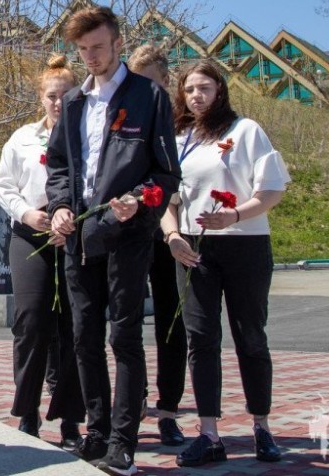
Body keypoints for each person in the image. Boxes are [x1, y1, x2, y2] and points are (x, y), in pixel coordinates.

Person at [46, 6, 181, 475]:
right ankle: (96, 431)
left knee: (123, 335)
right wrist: (60, 206)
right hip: (78, 234)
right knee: (83, 336)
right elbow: (59, 165)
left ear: (118, 43)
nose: (91, 58)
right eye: (82, 50)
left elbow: (166, 174)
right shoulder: (74, 102)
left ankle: (124, 442)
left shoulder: (149, 96)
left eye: (98, 48)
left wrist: (140, 200)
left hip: (127, 234)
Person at [160, 60, 290, 467]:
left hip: (244, 244)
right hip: (195, 250)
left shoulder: (245, 131)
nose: (196, 96)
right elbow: (169, 199)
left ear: (220, 91)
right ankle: (210, 434)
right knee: (201, 340)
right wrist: (172, 235)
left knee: (249, 335)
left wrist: (234, 216)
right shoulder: (178, 137)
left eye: (205, 88)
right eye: (189, 89)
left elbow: (271, 189)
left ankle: (262, 428)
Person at [0, 55, 85, 450]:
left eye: (66, 95)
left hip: (74, 236)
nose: (58, 102)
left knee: (73, 327)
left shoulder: (87, 136)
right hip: (29, 235)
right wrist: (27, 213)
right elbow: (2, 185)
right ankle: (27, 412)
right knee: (31, 321)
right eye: (51, 95)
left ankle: (69, 419)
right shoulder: (22, 137)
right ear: (40, 98)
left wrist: (73, 220)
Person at [126, 44, 187, 447]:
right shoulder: (125, 120)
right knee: (126, 319)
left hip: (173, 234)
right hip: (133, 229)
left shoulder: (183, 128)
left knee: (171, 319)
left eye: (151, 83)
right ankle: (135, 398)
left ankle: (168, 410)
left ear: (165, 82)